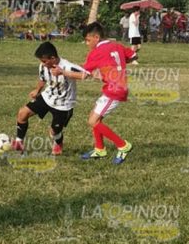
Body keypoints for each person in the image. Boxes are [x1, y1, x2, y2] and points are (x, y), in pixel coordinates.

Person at [55, 22, 136, 164]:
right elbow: (134, 56)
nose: (86, 43)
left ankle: (123, 145)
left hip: (114, 91)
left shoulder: (96, 52)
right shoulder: (115, 45)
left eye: (88, 40)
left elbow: (82, 75)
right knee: (94, 117)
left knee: (93, 121)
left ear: (96, 37)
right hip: (117, 87)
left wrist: (62, 72)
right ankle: (99, 149)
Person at [12, 42, 82, 155]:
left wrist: (63, 72)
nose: (42, 64)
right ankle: (19, 143)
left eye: (44, 61)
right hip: (47, 97)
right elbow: (43, 78)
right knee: (22, 113)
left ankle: (58, 142)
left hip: (63, 105)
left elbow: (85, 75)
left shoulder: (67, 66)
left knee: (54, 131)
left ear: (53, 58)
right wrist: (37, 90)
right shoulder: (43, 66)